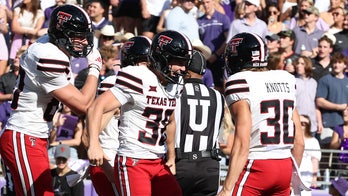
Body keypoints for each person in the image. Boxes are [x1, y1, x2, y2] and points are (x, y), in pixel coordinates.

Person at [0, 4, 102, 195]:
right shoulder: (48, 54)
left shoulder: (51, 45)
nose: (83, 41)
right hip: (24, 135)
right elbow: (82, 105)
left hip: (32, 136)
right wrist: (95, 68)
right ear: (61, 34)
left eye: (85, 35)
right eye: (77, 35)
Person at [87, 30, 192, 196]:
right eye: (178, 62)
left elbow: (170, 121)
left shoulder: (175, 84)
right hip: (133, 159)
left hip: (158, 159)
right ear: (162, 58)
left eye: (185, 62)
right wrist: (94, 144)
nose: (183, 69)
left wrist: (171, 158)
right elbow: (96, 107)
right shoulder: (138, 76)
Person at [218, 32, 306, 196]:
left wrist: (227, 188)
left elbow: (242, 142)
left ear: (240, 58)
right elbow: (299, 140)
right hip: (285, 165)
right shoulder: (285, 78)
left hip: (257, 165)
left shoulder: (239, 81)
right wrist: (292, 177)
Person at [174, 50, 225, 196]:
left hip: (182, 163)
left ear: (187, 71)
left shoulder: (176, 91)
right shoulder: (218, 96)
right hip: (210, 165)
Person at [316, 52, 348, 148]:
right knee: (327, 155)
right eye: (334, 62)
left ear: (345, 65)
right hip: (329, 123)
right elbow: (319, 101)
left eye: (339, 62)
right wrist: (339, 107)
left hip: (345, 125)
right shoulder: (325, 80)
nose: (336, 65)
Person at [197, 0, 230, 93]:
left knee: (220, 86)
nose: (205, 5)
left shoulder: (223, 18)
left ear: (213, 2)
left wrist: (216, 55)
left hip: (219, 58)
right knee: (208, 87)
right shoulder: (199, 21)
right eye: (203, 3)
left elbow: (227, 40)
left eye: (207, 2)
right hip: (206, 59)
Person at [295, 56, 321, 136]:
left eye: (302, 64)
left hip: (311, 123)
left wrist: (319, 122)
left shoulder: (314, 83)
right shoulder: (292, 81)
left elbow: (315, 104)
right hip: (297, 121)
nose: (299, 65)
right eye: (298, 63)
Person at [298, 115, 321, 196]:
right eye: (298, 123)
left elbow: (315, 160)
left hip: (307, 177)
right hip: (292, 176)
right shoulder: (290, 140)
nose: (300, 125)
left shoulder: (313, 141)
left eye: (303, 124)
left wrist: (314, 179)